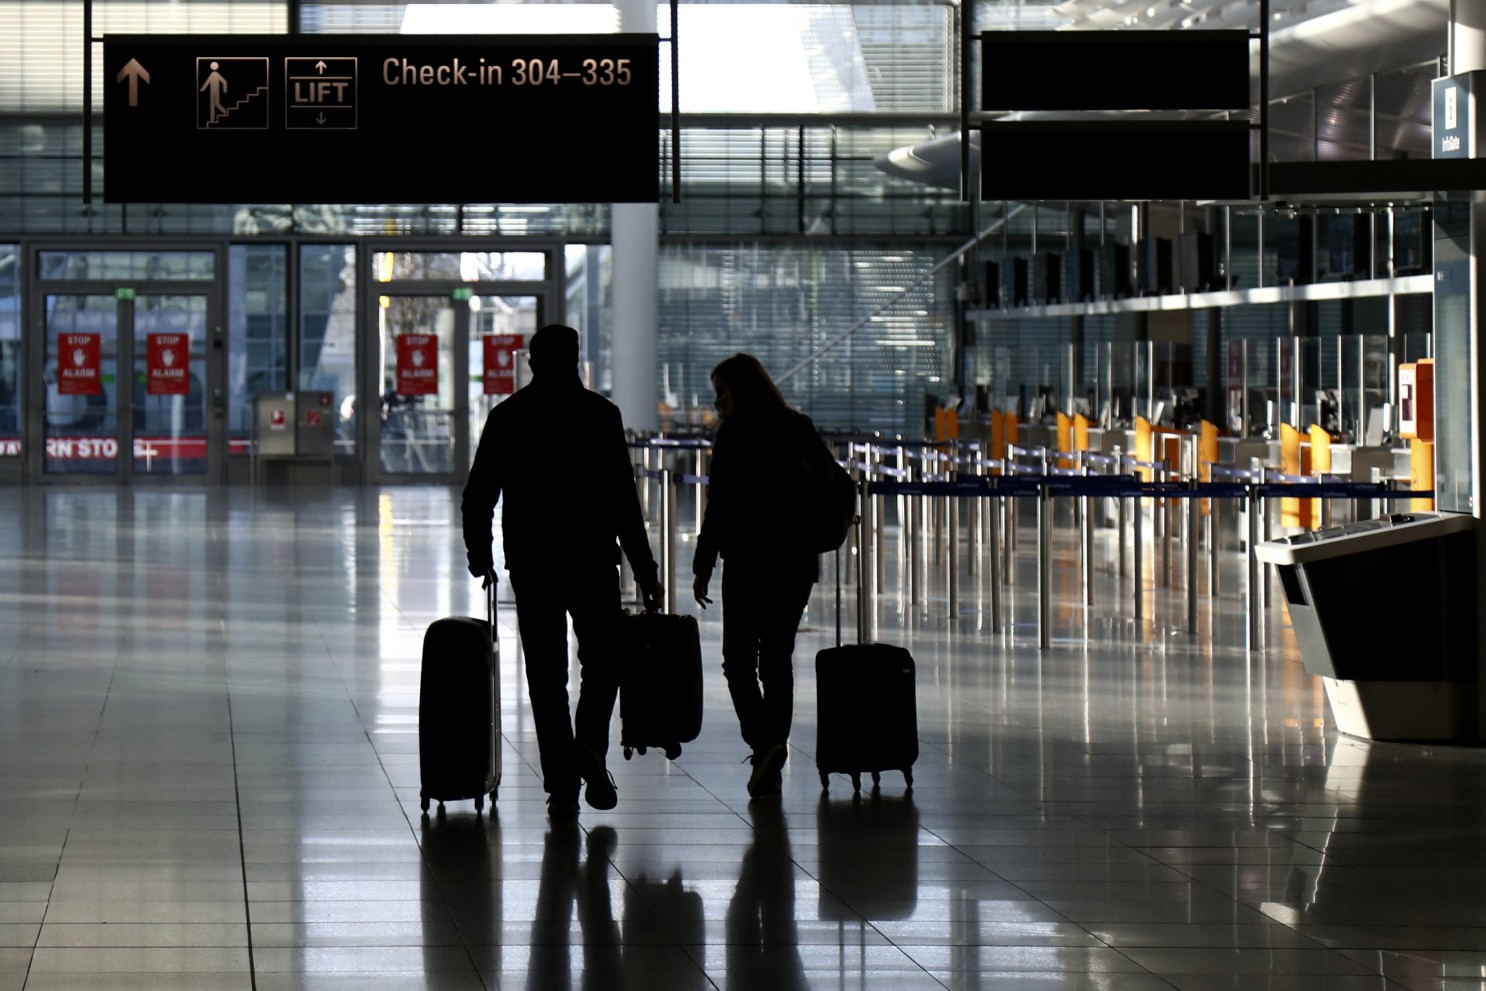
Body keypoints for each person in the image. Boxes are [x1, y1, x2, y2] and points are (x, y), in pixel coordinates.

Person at [463, 324, 662, 821]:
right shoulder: (601, 415)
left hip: (533, 562)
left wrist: (480, 554)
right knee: (603, 660)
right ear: (577, 360)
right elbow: (623, 501)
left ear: (532, 362)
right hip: (593, 558)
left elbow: (479, 494)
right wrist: (646, 570)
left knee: (545, 675)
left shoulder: (509, 416)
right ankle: (590, 746)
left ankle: (561, 781)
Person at [692, 353, 830, 799]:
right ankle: (771, 753)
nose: (717, 401)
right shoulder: (798, 425)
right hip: (796, 562)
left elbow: (720, 506)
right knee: (776, 659)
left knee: (738, 662)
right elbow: (827, 484)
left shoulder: (734, 433)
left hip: (749, 561)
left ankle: (765, 745)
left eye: (721, 392)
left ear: (738, 390)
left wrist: (703, 564)